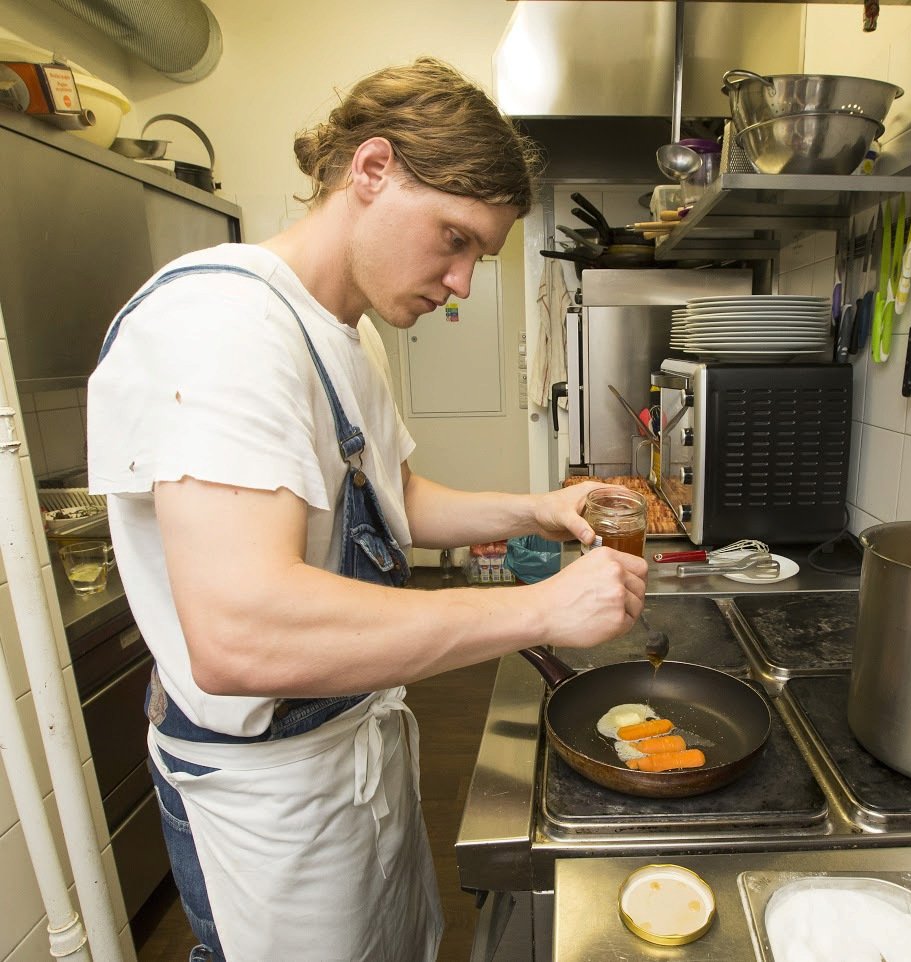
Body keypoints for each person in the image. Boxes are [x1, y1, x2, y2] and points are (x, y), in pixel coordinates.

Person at [87, 57, 647, 962]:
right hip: (271, 796)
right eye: (455, 239)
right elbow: (241, 636)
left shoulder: (344, 336)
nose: (463, 284)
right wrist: (537, 610)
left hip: (354, 748)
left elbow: (390, 498)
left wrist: (535, 508)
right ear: (373, 169)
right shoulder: (221, 327)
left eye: (480, 256)